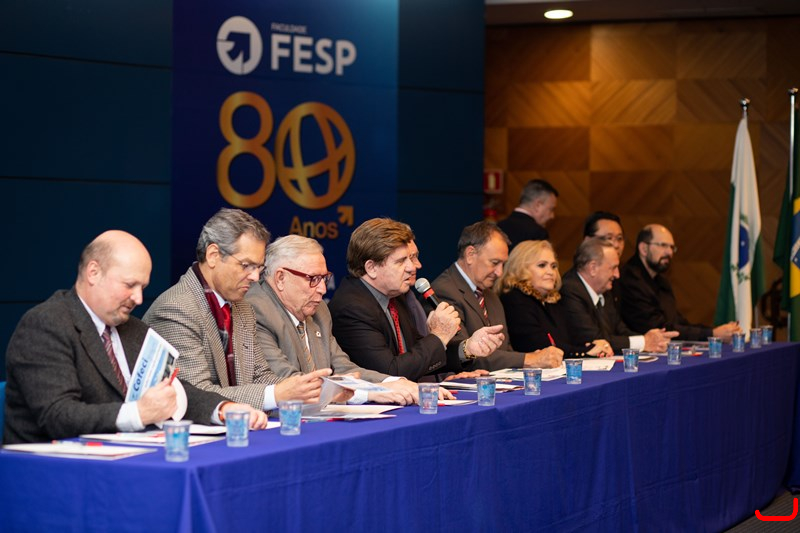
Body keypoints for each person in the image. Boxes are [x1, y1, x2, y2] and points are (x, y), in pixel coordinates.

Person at [4, 230, 266, 444]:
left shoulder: (134, 329)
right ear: (93, 272)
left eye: (143, 287)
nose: (138, 299)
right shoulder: (46, 325)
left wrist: (223, 409)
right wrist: (138, 413)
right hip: (54, 471)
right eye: (130, 285)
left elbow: (175, 389)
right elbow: (57, 415)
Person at [144, 208, 330, 411]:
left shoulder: (243, 308)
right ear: (213, 255)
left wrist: (302, 389)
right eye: (246, 265)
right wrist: (276, 394)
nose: (255, 277)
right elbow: (197, 394)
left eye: (258, 267)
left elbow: (260, 375)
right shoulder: (176, 309)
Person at [246, 235, 420, 405]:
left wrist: (392, 382)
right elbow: (288, 382)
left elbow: (343, 368)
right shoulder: (256, 311)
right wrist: (368, 393)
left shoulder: (319, 310)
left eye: (324, 278)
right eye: (313, 279)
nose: (322, 289)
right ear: (281, 278)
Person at [329, 218, 500, 381]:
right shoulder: (351, 308)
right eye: (401, 261)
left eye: (411, 258)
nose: (413, 267)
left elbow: (417, 356)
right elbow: (390, 374)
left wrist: (467, 348)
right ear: (371, 267)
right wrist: (439, 336)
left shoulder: (396, 296)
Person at [432, 221, 564, 370]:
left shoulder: (490, 295)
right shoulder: (443, 292)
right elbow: (462, 356)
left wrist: (532, 359)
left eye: (503, 264)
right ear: (470, 255)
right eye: (494, 263)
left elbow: (505, 349)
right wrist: (529, 359)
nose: (500, 273)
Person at [619, 224, 741, 342]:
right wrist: (712, 334)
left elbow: (677, 322)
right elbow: (660, 329)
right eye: (663, 245)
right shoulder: (630, 280)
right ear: (644, 249)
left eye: (672, 247)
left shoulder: (661, 281)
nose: (669, 252)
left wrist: (716, 331)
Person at [561, 238, 679, 354]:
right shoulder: (570, 290)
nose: (617, 275)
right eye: (613, 268)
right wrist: (644, 341)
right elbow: (595, 340)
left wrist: (652, 340)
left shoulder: (604, 290)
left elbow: (620, 330)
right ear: (593, 268)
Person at [496, 240, 608, 357]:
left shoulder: (552, 300)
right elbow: (538, 345)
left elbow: (571, 338)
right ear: (520, 268)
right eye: (542, 265)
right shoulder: (514, 299)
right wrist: (585, 351)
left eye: (553, 266)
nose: (551, 272)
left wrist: (594, 345)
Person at [497, 179, 558, 250]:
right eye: (551, 209)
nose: (552, 216)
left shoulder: (498, 227)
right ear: (538, 205)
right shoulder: (538, 233)